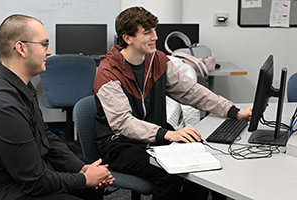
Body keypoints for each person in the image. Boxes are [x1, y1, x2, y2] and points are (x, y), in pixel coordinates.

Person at [93, 6, 252, 200]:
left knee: (202, 165)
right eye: (146, 32)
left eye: (154, 30)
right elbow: (123, 123)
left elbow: (191, 91)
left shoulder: (157, 59)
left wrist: (233, 111)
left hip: (154, 138)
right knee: (168, 174)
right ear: (127, 38)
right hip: (120, 145)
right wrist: (167, 134)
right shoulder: (108, 70)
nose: (155, 37)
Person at [0, 14, 114, 200]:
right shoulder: (2, 107)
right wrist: (84, 179)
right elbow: (36, 181)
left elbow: (45, 136)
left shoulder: (17, 86)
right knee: (83, 188)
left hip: (14, 176)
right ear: (21, 48)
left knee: (92, 186)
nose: (49, 51)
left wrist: (80, 168)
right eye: (44, 44)